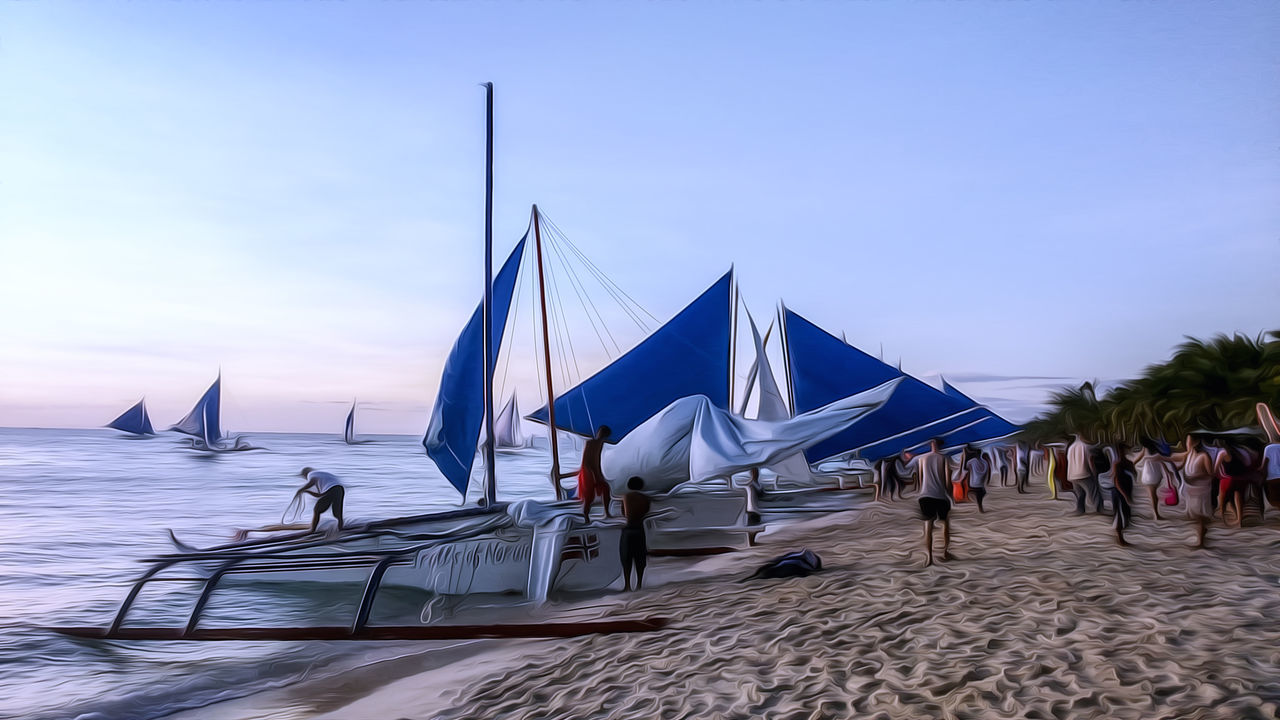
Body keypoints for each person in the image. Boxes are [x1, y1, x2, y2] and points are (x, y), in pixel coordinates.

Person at [560, 426, 614, 521]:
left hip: (595, 470)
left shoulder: (600, 444)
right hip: (586, 471)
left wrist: (599, 474)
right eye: (601, 433)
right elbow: (585, 462)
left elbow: (597, 460)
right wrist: (593, 474)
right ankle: (586, 516)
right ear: (598, 433)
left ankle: (607, 512)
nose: (601, 436)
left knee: (605, 488)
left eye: (603, 434)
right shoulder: (590, 443)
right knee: (589, 495)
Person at [1172, 435, 1214, 548]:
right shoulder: (1189, 454)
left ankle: (1201, 541)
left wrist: (1196, 477)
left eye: (1188, 441)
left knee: (1200, 514)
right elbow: (1180, 464)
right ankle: (1203, 530)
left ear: (1196, 442)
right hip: (1190, 488)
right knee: (1194, 514)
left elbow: (1210, 473)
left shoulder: (1204, 456)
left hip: (1202, 488)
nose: (1187, 443)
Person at [916, 438, 953, 567]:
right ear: (940, 445)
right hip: (940, 495)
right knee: (945, 525)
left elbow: (920, 480)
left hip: (925, 495)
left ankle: (929, 558)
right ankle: (944, 552)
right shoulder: (945, 459)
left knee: (928, 527)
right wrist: (951, 496)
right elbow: (948, 481)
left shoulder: (922, 459)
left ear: (930, 445)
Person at [620, 476, 652, 592]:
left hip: (628, 529)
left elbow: (624, 513)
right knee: (640, 558)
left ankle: (627, 585)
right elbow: (646, 511)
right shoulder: (645, 498)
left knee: (626, 558)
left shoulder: (625, 496)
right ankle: (639, 584)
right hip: (639, 528)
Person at [294, 467, 345, 533]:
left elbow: (312, 482)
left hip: (331, 490)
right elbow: (320, 495)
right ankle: (340, 528)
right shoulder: (321, 475)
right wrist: (306, 491)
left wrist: (301, 489)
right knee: (337, 513)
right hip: (340, 489)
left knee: (317, 510)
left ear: (305, 474)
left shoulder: (311, 474)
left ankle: (312, 530)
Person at [1067, 433, 1102, 514]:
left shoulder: (1071, 447)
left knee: (1080, 494)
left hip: (1072, 475)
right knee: (1094, 493)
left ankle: (1080, 510)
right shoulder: (1086, 446)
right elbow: (1090, 461)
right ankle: (1099, 509)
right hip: (1083, 474)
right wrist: (1094, 473)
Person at [1136, 438, 1171, 520]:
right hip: (1156, 474)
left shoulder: (1145, 450)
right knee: (1154, 495)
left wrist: (1134, 463)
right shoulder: (1156, 451)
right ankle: (1156, 513)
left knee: (1152, 496)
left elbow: (1139, 458)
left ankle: (1156, 514)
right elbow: (1163, 460)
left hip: (1148, 474)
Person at [1111, 442, 1136, 546]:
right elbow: (1116, 481)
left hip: (1126, 491)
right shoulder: (1117, 464)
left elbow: (1134, 475)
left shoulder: (1129, 463)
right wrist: (1125, 496)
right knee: (1120, 515)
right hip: (1119, 492)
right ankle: (1120, 538)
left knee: (1126, 515)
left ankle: (1120, 537)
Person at [960, 445, 991, 513]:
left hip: (973, 483)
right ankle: (980, 506)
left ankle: (978, 505)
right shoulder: (985, 462)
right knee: (981, 493)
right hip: (981, 484)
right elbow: (986, 473)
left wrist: (965, 456)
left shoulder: (972, 461)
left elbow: (964, 469)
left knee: (977, 493)